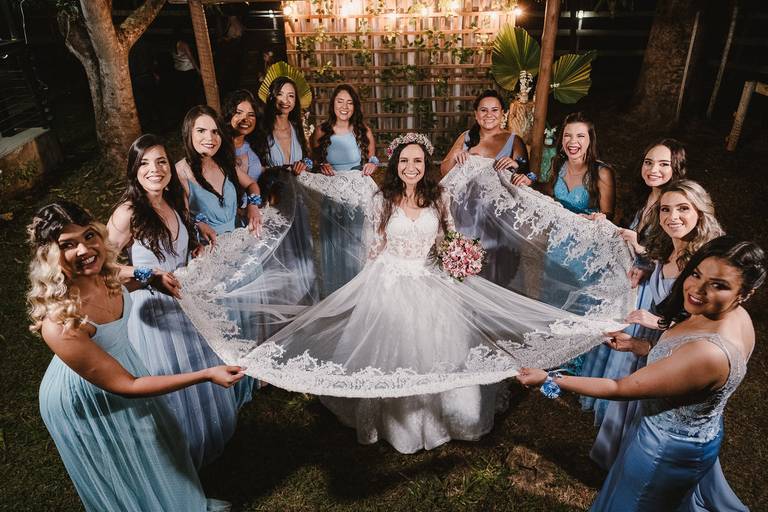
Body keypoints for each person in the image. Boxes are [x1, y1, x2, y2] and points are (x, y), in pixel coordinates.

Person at [198, 134, 625, 455]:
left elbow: (451, 236)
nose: (411, 167)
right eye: (405, 160)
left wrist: (459, 256)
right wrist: (372, 286)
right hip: (389, 280)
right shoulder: (381, 200)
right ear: (396, 164)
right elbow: (373, 249)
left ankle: (448, 419)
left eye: (418, 161)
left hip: (432, 280)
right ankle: (395, 425)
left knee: (443, 350)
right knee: (392, 352)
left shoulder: (439, 197)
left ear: (426, 165)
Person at [517, 235, 765, 512]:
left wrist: (549, 380)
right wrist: (639, 346)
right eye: (696, 274)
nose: (697, 289)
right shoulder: (735, 316)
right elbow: (682, 364)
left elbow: (619, 387)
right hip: (694, 434)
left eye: (718, 285)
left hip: (664, 450)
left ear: (745, 293)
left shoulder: (709, 354)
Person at [30, 201, 243, 512]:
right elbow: (127, 386)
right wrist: (206, 374)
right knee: (128, 461)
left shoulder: (102, 273)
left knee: (159, 441)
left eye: (89, 235)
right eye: (68, 245)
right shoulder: (60, 324)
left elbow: (121, 274)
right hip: (87, 395)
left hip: (124, 365)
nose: (84, 249)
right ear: (50, 256)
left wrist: (151, 277)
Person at [107, 134, 241, 468]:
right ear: (134, 170)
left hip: (184, 303)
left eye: (161, 161)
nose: (154, 169)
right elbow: (101, 266)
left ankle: (204, 438)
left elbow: (175, 246)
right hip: (152, 313)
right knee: (171, 379)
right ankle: (176, 455)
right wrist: (146, 274)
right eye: (145, 163)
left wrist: (196, 243)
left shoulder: (174, 200)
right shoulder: (127, 213)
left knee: (196, 372)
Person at [591, 179, 723, 460]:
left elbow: (709, 330)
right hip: (649, 341)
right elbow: (660, 270)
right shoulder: (669, 245)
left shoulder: (706, 262)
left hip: (676, 350)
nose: (672, 217)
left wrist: (659, 324)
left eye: (683, 208)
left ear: (700, 211)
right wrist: (646, 270)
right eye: (665, 209)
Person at [309, 84, 377, 295]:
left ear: (355, 106)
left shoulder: (363, 131)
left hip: (356, 198)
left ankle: (358, 295)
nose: (344, 107)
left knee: (356, 243)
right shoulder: (321, 131)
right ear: (333, 104)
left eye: (349, 102)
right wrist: (321, 166)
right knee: (334, 244)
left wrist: (372, 165)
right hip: (332, 197)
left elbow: (373, 159)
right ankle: (335, 294)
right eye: (340, 101)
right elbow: (312, 162)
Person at [176, 105, 262, 237]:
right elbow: (182, 219)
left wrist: (253, 205)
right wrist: (198, 224)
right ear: (189, 133)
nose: (210, 138)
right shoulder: (180, 173)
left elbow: (252, 184)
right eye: (201, 131)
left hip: (243, 238)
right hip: (210, 247)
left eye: (215, 132)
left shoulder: (224, 162)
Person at [440, 89, 529, 181]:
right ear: (476, 114)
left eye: (494, 110)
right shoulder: (466, 136)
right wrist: (455, 154)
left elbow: (530, 176)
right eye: (483, 110)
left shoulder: (514, 141)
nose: (489, 115)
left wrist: (516, 166)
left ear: (502, 113)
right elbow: (444, 172)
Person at [223, 89, 263, 183]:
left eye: (251, 115)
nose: (245, 119)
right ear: (229, 115)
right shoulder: (218, 145)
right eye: (239, 113)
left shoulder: (255, 148)